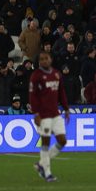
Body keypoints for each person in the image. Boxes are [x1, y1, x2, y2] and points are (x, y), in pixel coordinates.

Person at [30, 51, 70, 182]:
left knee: (62, 141)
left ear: (50, 59)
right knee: (45, 142)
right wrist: (36, 113)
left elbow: (61, 92)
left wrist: (66, 108)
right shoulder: (36, 76)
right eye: (41, 59)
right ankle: (47, 173)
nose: (43, 61)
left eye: (46, 58)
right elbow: (33, 96)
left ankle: (41, 164)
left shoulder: (57, 74)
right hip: (43, 115)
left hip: (56, 114)